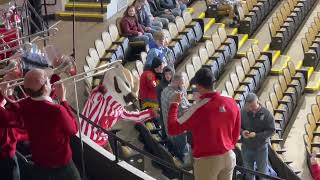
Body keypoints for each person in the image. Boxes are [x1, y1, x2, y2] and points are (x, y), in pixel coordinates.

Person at [0, 69, 81, 180]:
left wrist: (6, 95)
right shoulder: (58, 110)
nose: (49, 82)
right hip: (63, 167)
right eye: (48, 81)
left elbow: (41, 102)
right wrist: (63, 100)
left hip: (41, 167)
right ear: (46, 87)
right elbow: (74, 129)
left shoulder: (24, 105)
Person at [167, 67, 241, 180]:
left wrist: (174, 104)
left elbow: (172, 129)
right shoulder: (230, 100)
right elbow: (236, 131)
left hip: (208, 160)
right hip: (229, 156)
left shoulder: (199, 108)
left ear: (199, 86)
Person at [241, 93, 275, 180]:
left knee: (263, 173)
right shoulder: (242, 112)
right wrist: (242, 132)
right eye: (249, 106)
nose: (251, 109)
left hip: (261, 148)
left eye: (253, 106)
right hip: (246, 147)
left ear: (258, 102)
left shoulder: (267, 114)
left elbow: (272, 131)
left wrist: (257, 135)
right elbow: (237, 126)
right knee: (249, 173)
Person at [161, 73, 192, 164]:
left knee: (176, 150)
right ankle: (185, 172)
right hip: (179, 132)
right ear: (178, 83)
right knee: (184, 154)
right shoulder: (177, 95)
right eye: (182, 83)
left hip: (168, 129)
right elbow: (187, 111)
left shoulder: (165, 90)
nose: (184, 85)